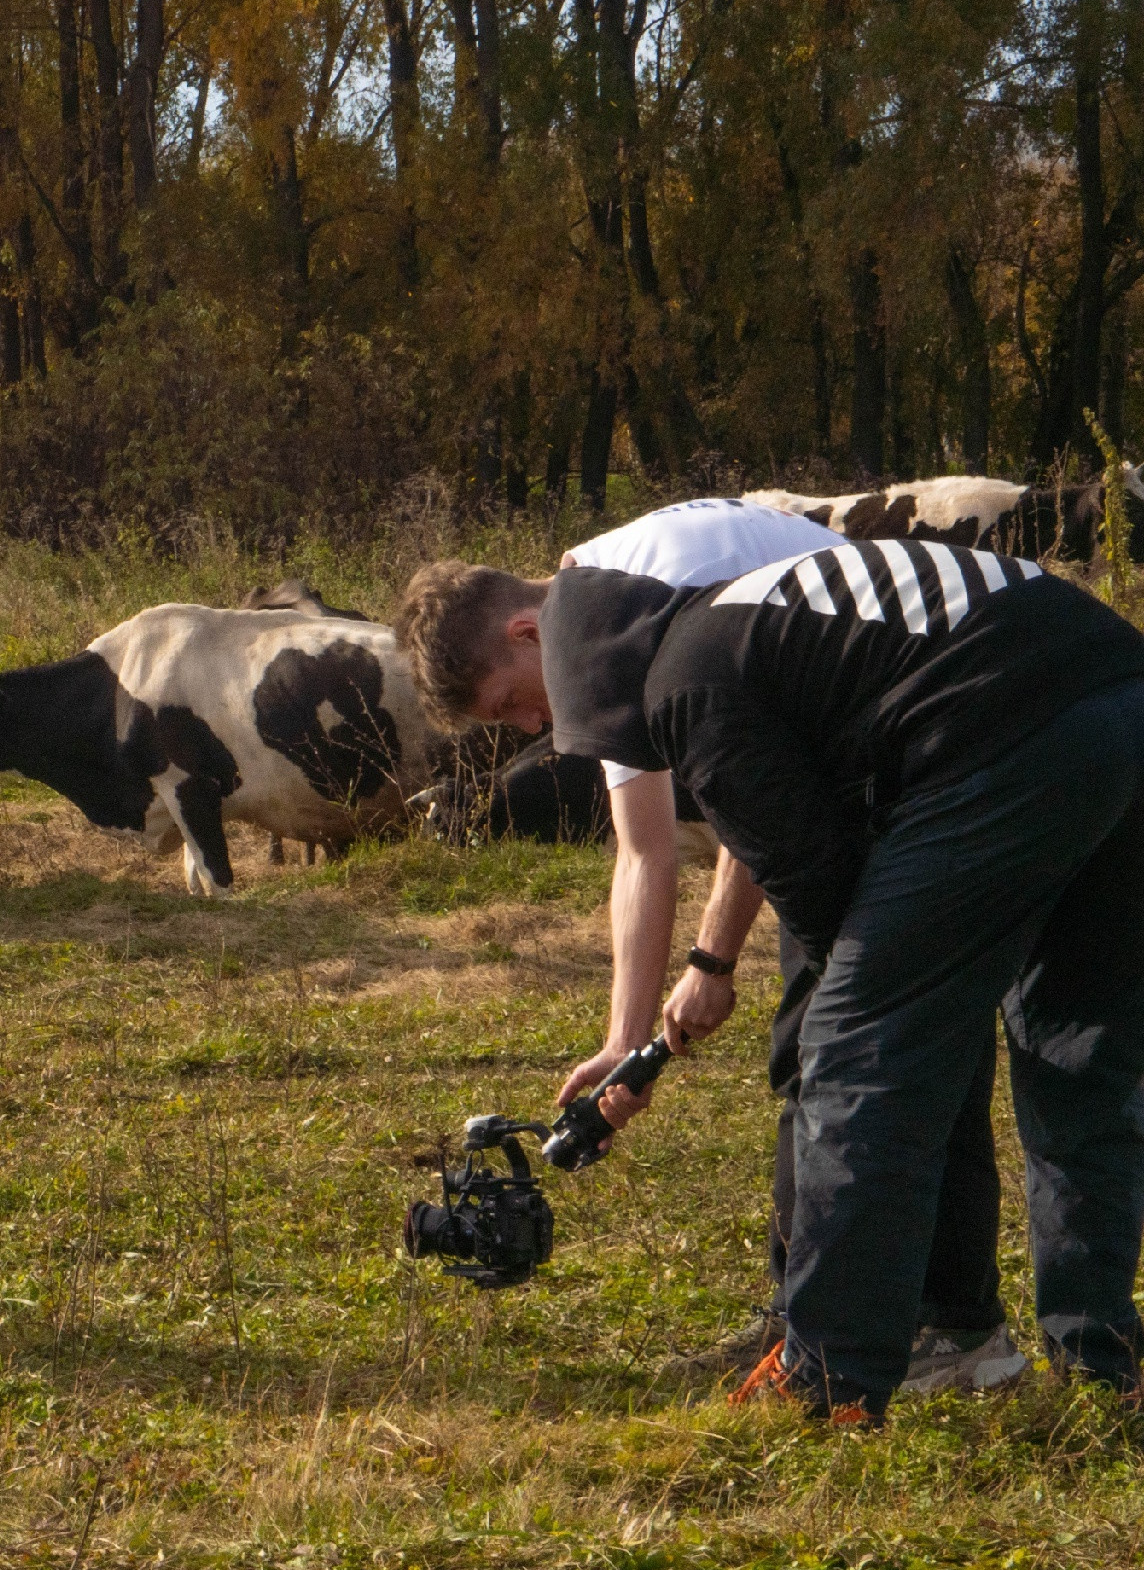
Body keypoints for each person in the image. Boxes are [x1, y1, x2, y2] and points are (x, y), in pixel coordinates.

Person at [394, 500, 1023, 1396]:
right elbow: (643, 848)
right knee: (872, 1046)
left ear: (525, 631)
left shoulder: (659, 578)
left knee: (840, 1052)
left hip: (911, 747)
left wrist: (712, 965)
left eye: (509, 704)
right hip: (868, 757)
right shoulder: (602, 614)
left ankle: (859, 1329)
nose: (532, 731)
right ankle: (917, 1323)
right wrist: (623, 1041)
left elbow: (755, 780)